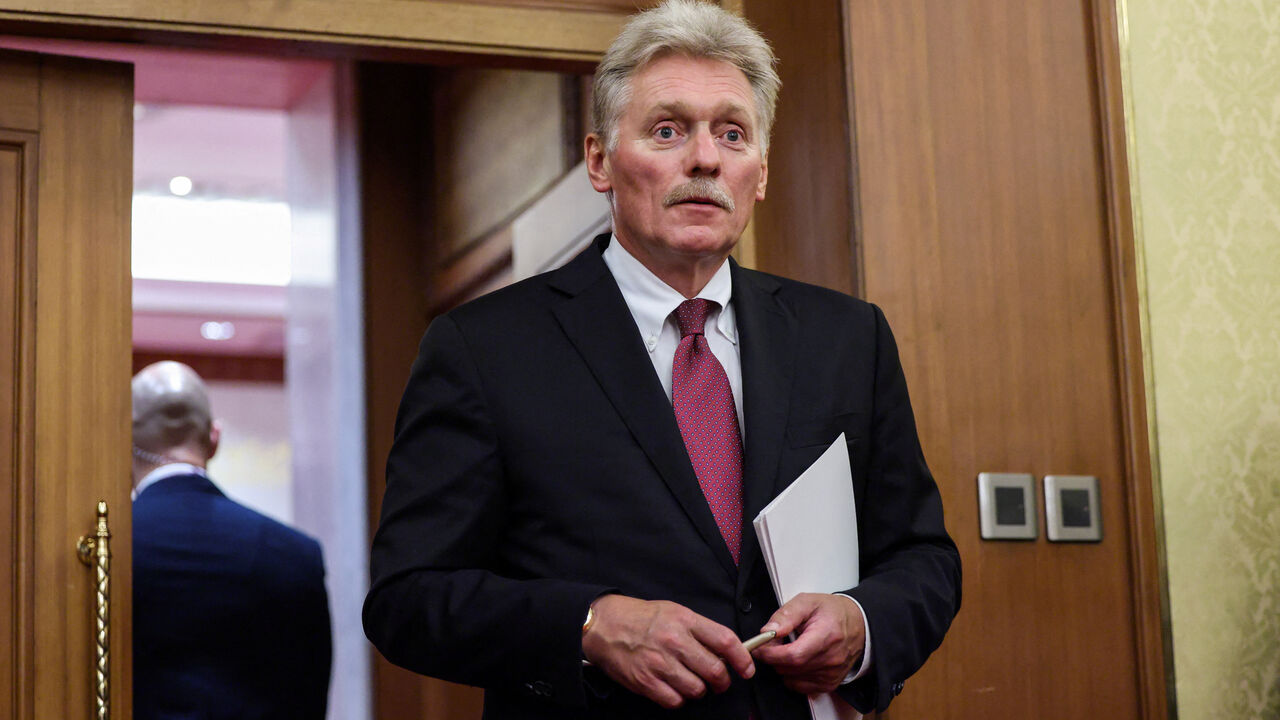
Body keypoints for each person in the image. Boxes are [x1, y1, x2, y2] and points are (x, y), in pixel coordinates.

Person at [363, 1, 961, 717]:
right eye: (669, 129)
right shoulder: (484, 348)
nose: (705, 158)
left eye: (732, 134)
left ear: (760, 173)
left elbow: (923, 558)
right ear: (599, 161)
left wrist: (862, 624)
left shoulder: (847, 337)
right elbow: (408, 597)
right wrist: (588, 625)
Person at [131, 361, 332, 720]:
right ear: (214, 438)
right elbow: (308, 698)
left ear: (124, 440)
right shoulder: (295, 554)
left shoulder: (101, 549)